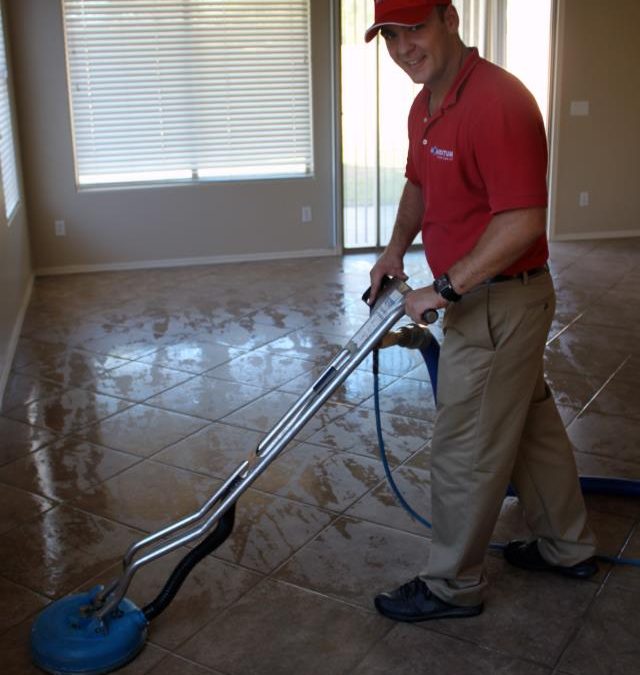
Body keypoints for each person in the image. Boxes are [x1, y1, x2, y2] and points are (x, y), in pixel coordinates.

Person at [365, 0, 598, 622]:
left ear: (450, 18)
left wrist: (443, 288)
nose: (403, 46)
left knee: (466, 443)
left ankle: (451, 585)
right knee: (531, 426)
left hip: (499, 300)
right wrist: (394, 251)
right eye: (390, 34)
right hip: (484, 299)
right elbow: (419, 183)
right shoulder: (425, 105)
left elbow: (522, 220)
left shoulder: (498, 101)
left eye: (415, 27)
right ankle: (568, 545)